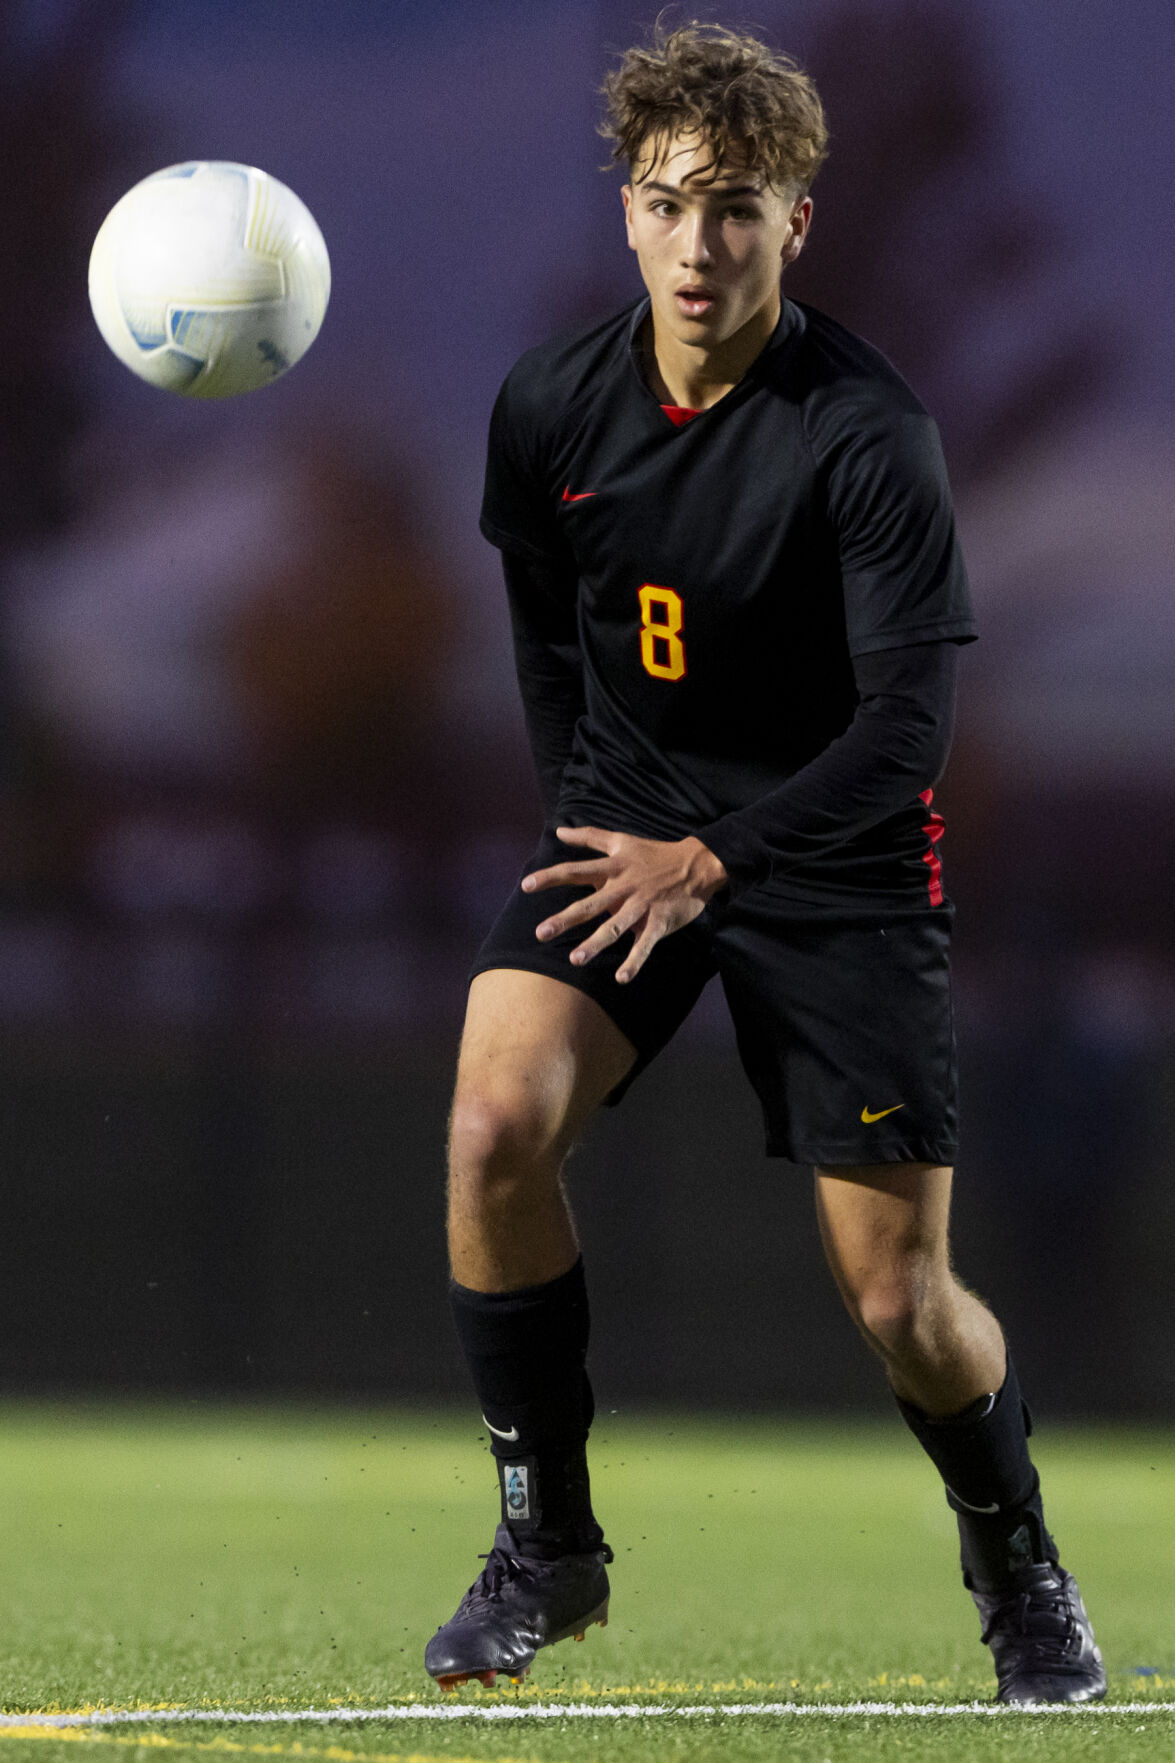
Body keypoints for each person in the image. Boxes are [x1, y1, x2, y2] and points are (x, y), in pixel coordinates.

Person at [424, 20, 1104, 1705]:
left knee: (898, 1299)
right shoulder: (552, 404)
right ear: (628, 215)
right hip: (629, 832)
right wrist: (585, 830)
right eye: (666, 203)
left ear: (799, 219)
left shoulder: (868, 434)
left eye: (737, 208)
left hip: (836, 864)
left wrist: (711, 861)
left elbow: (904, 733)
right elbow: (549, 645)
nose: (698, 243)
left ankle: (1017, 1562)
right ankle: (546, 1544)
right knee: (494, 1121)